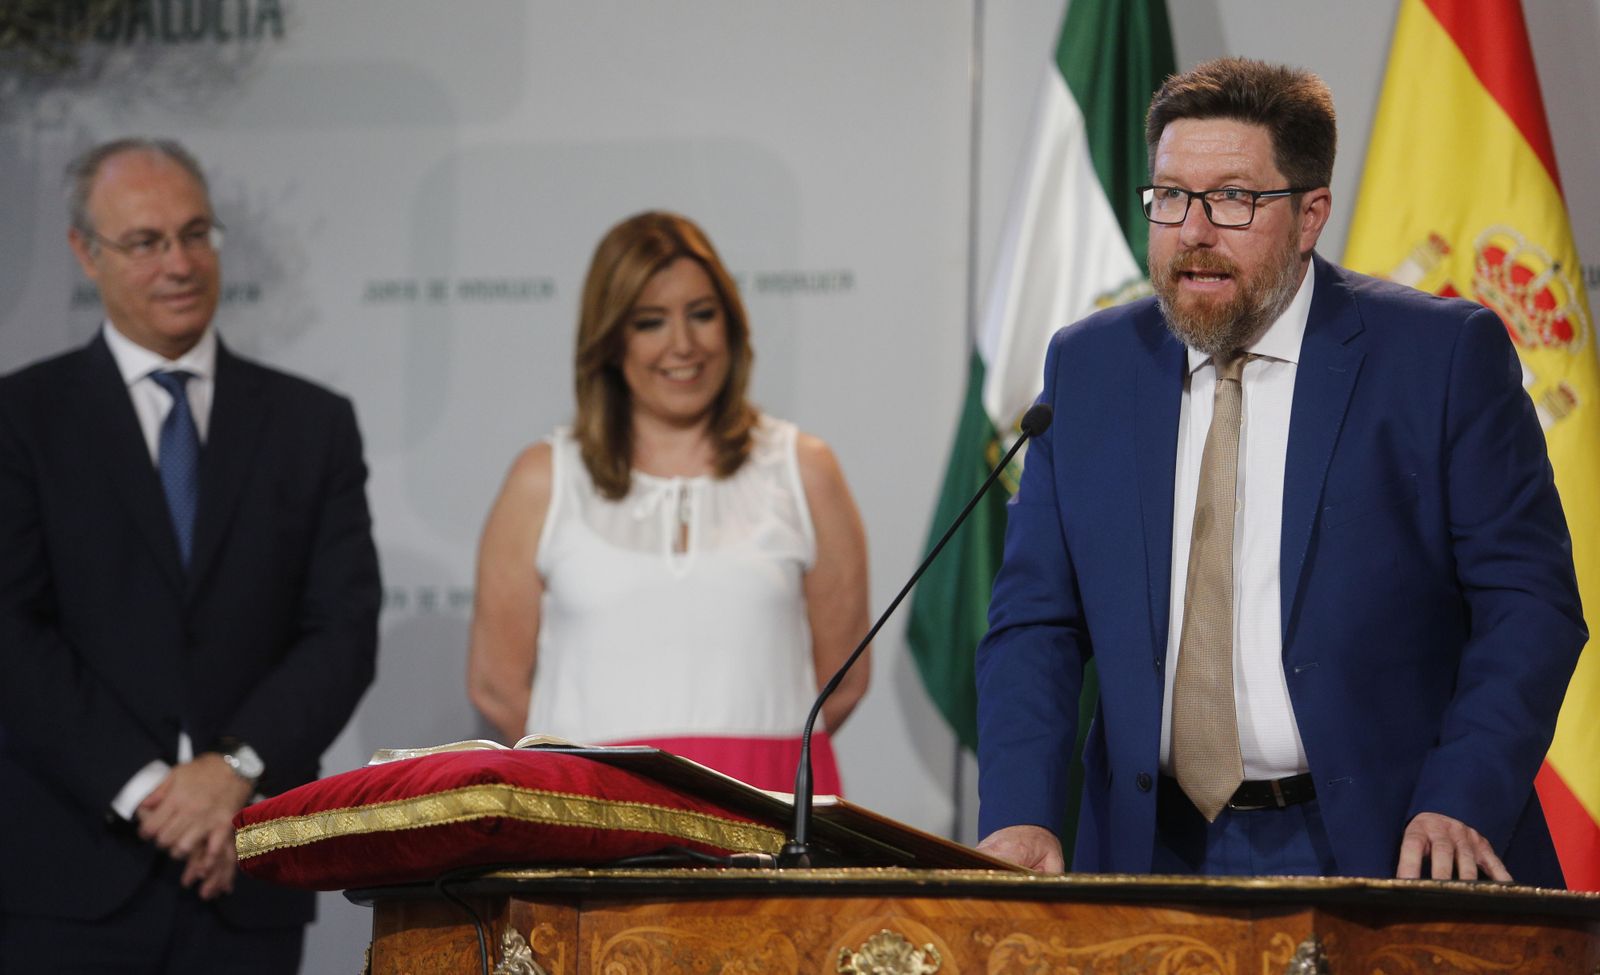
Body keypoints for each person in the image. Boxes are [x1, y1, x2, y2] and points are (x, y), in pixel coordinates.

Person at [974, 59, 1585, 885]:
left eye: (1232, 198)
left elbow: (1529, 605)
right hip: (1152, 853)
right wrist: (1020, 812)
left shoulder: (1438, 358)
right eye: (1170, 197)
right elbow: (1035, 623)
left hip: (1390, 844)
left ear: (1309, 216)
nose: (1192, 230)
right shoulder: (1089, 368)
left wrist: (1463, 796)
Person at [0, 138, 381, 970]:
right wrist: (150, 792)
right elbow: (11, 632)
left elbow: (343, 632)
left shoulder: (312, 426)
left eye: (196, 233)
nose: (180, 263)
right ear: (84, 253)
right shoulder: (21, 419)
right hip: (67, 883)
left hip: (243, 878)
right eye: (146, 241)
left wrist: (235, 770)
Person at [467, 211, 870, 794]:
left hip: (770, 807)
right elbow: (496, 687)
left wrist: (749, 765)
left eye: (702, 315)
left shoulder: (805, 468)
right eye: (650, 322)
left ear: (731, 324)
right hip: (590, 809)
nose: (683, 345)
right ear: (609, 342)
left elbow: (846, 679)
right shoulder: (543, 477)